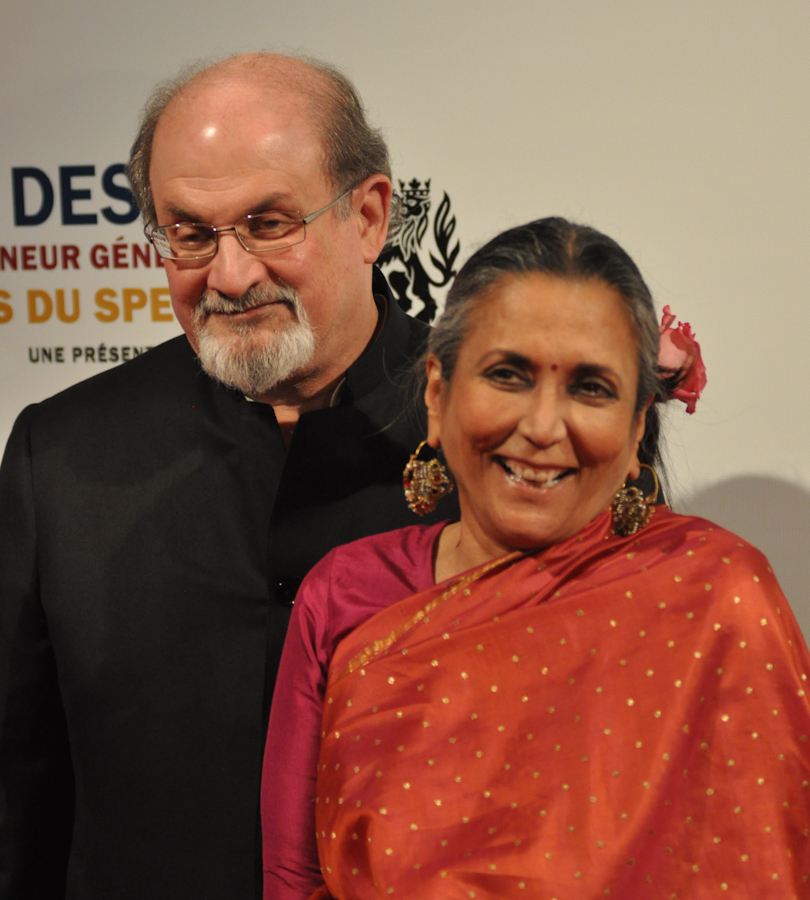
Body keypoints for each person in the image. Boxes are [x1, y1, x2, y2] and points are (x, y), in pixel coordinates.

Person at [0, 53, 454, 900]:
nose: (231, 275)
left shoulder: (498, 441)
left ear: (369, 215)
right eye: (191, 234)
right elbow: (18, 798)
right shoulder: (58, 454)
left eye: (269, 223)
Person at [261, 217, 810, 899]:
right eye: (508, 375)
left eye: (591, 388)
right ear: (438, 393)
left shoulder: (717, 597)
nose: (543, 427)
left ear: (639, 426)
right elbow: (293, 879)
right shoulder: (344, 593)